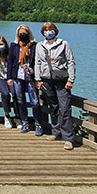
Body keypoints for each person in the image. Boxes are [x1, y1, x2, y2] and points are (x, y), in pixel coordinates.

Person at [35, 22, 76, 150]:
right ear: (43, 32)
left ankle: (68, 138)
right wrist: (37, 79)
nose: (48, 32)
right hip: (46, 79)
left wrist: (71, 79)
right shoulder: (39, 45)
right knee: (53, 107)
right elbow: (37, 63)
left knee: (64, 108)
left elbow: (70, 61)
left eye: (51, 29)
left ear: (55, 31)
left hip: (61, 79)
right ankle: (55, 132)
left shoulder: (63, 44)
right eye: (46, 30)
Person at [7, 24, 43, 134]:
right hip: (17, 77)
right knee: (20, 100)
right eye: (20, 33)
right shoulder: (14, 45)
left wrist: (37, 77)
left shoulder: (34, 46)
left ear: (29, 33)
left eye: (24, 32)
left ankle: (38, 124)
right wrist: (9, 77)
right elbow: (10, 62)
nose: (23, 34)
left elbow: (38, 61)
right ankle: (25, 122)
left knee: (35, 101)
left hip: (30, 77)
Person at [0, 35, 21, 129]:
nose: (0, 46)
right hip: (0, 78)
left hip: (11, 78)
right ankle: (7, 116)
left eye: (2, 44)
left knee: (15, 94)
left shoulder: (10, 53)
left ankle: (17, 116)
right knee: (5, 94)